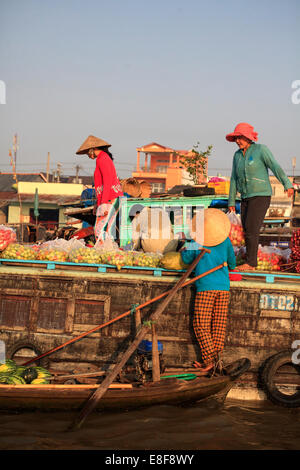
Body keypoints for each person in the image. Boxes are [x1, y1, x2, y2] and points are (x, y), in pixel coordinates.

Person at [226, 123, 294, 271]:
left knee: (251, 228)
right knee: (246, 229)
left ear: (248, 137)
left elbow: (275, 166)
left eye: (241, 137)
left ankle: (251, 263)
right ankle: (250, 259)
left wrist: (287, 184)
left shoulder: (261, 150)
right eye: (236, 138)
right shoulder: (237, 156)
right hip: (245, 196)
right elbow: (233, 178)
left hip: (261, 195)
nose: (238, 141)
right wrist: (231, 200)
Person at [181, 208, 236, 374]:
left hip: (206, 287)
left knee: (201, 325)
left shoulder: (196, 241)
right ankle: (215, 362)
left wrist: (183, 249)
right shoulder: (226, 241)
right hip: (224, 288)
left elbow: (185, 259)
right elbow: (232, 264)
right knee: (218, 326)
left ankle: (210, 360)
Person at [76, 135, 123, 244]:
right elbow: (101, 187)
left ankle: (103, 253)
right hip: (110, 199)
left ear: (92, 149)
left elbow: (107, 182)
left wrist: (104, 204)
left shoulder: (103, 159)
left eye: (88, 152)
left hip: (110, 199)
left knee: (99, 230)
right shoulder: (102, 158)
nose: (88, 155)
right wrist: (98, 204)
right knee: (104, 230)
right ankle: (107, 252)